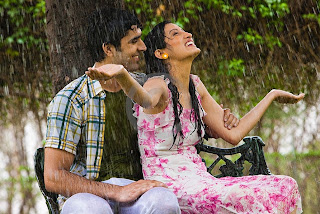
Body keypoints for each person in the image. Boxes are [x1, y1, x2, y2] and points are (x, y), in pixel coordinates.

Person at [86, 21, 304, 213]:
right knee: (244, 197)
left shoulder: (195, 85)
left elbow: (234, 134)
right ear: (162, 53)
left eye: (184, 32)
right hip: (169, 187)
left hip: (201, 179)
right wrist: (121, 74)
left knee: (286, 185)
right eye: (175, 34)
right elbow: (144, 100)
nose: (187, 35)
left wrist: (272, 95)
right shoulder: (158, 83)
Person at [44, 8, 239, 214]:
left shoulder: (147, 87)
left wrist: (220, 123)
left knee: (164, 202)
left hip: (141, 191)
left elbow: (180, 126)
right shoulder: (72, 98)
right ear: (108, 49)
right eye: (134, 41)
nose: (143, 47)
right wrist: (117, 191)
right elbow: (53, 176)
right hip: (89, 195)